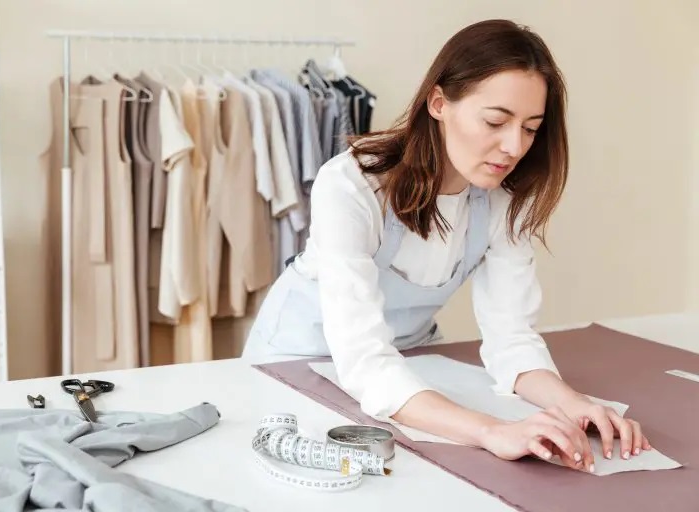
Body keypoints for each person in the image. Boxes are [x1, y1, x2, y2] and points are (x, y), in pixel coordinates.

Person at [241, 19, 651, 473]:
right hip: (298, 359)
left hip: (408, 360)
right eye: (496, 121)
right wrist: (491, 430)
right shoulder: (352, 185)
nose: (514, 146)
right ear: (439, 103)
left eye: (531, 128)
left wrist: (573, 404)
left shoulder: (501, 200)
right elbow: (362, 358)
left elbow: (511, 338)